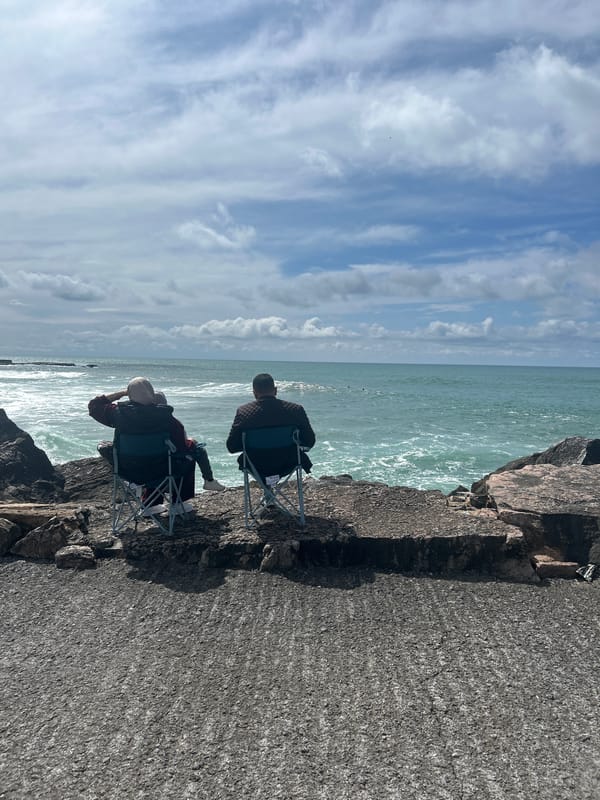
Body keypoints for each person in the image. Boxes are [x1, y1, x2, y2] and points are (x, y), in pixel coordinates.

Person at [89, 377, 224, 513]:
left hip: (128, 472)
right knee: (186, 455)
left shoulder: (119, 413)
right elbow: (181, 448)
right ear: (152, 394)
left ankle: (149, 503)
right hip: (161, 471)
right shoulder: (166, 417)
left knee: (106, 446)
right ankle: (178, 503)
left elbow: (94, 406)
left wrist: (122, 393)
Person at [226, 372, 316, 476]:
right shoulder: (295, 410)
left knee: (246, 458)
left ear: (254, 393)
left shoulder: (244, 412)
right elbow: (310, 441)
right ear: (276, 390)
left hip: (255, 464)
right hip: (288, 463)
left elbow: (231, 447)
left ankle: (267, 487)